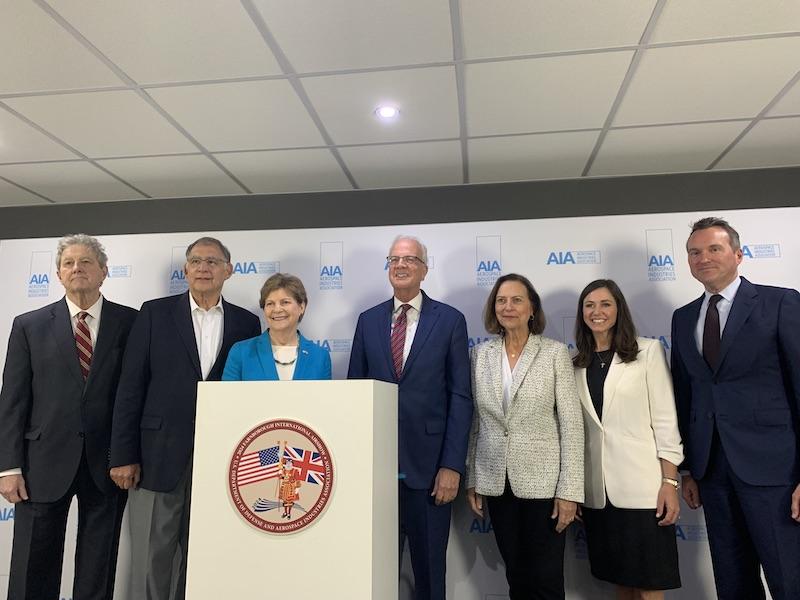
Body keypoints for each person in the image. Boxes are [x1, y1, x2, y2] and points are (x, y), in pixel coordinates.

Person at [108, 236, 260, 600]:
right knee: (152, 556)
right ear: (185, 269)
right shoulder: (154, 313)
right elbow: (130, 387)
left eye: (212, 261)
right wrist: (123, 455)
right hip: (157, 456)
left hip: (221, 460)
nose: (203, 268)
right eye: (196, 261)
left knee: (204, 556)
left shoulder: (247, 322)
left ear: (229, 269)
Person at [0, 234, 137, 600]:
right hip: (40, 463)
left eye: (86, 262)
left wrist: (128, 455)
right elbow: (13, 400)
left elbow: (134, 396)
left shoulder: (132, 323)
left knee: (98, 563)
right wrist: (8, 467)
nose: (77, 268)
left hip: (107, 463)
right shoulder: (28, 325)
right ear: (59, 275)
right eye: (68, 263)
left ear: (104, 272)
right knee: (34, 564)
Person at [671, 217, 800, 600]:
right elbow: (685, 395)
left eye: (714, 248)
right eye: (695, 252)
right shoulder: (682, 318)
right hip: (713, 473)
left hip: (775, 472)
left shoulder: (780, 302)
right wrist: (689, 469)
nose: (703, 258)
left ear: (738, 254)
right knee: (732, 583)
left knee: (788, 579)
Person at [347, 235, 472, 600]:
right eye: (394, 259)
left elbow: (460, 397)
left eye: (410, 259)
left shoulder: (449, 320)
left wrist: (452, 466)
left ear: (424, 269)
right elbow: (357, 392)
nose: (400, 265)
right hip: (377, 470)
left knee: (430, 571)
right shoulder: (367, 321)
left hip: (431, 470)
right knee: (375, 573)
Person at [466, 273, 583, 600]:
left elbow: (572, 424)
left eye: (517, 300)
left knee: (545, 580)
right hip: (497, 483)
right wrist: (473, 477)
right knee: (516, 576)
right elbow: (478, 420)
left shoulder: (554, 353)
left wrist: (570, 490)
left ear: (532, 308)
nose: (508, 307)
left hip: (544, 487)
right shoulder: (481, 355)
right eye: (501, 300)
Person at [573, 279, 683, 599]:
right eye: (589, 305)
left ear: (619, 309)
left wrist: (670, 483)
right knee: (619, 580)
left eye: (605, 304)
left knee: (649, 584)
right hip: (599, 493)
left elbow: (665, 420)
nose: (597, 312)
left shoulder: (647, 351)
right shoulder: (574, 363)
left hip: (645, 491)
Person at [223, 273, 330, 381]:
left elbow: (324, 397)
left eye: (285, 302)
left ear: (302, 307)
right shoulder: (241, 352)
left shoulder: (320, 356)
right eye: (270, 304)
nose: (277, 309)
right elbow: (227, 396)